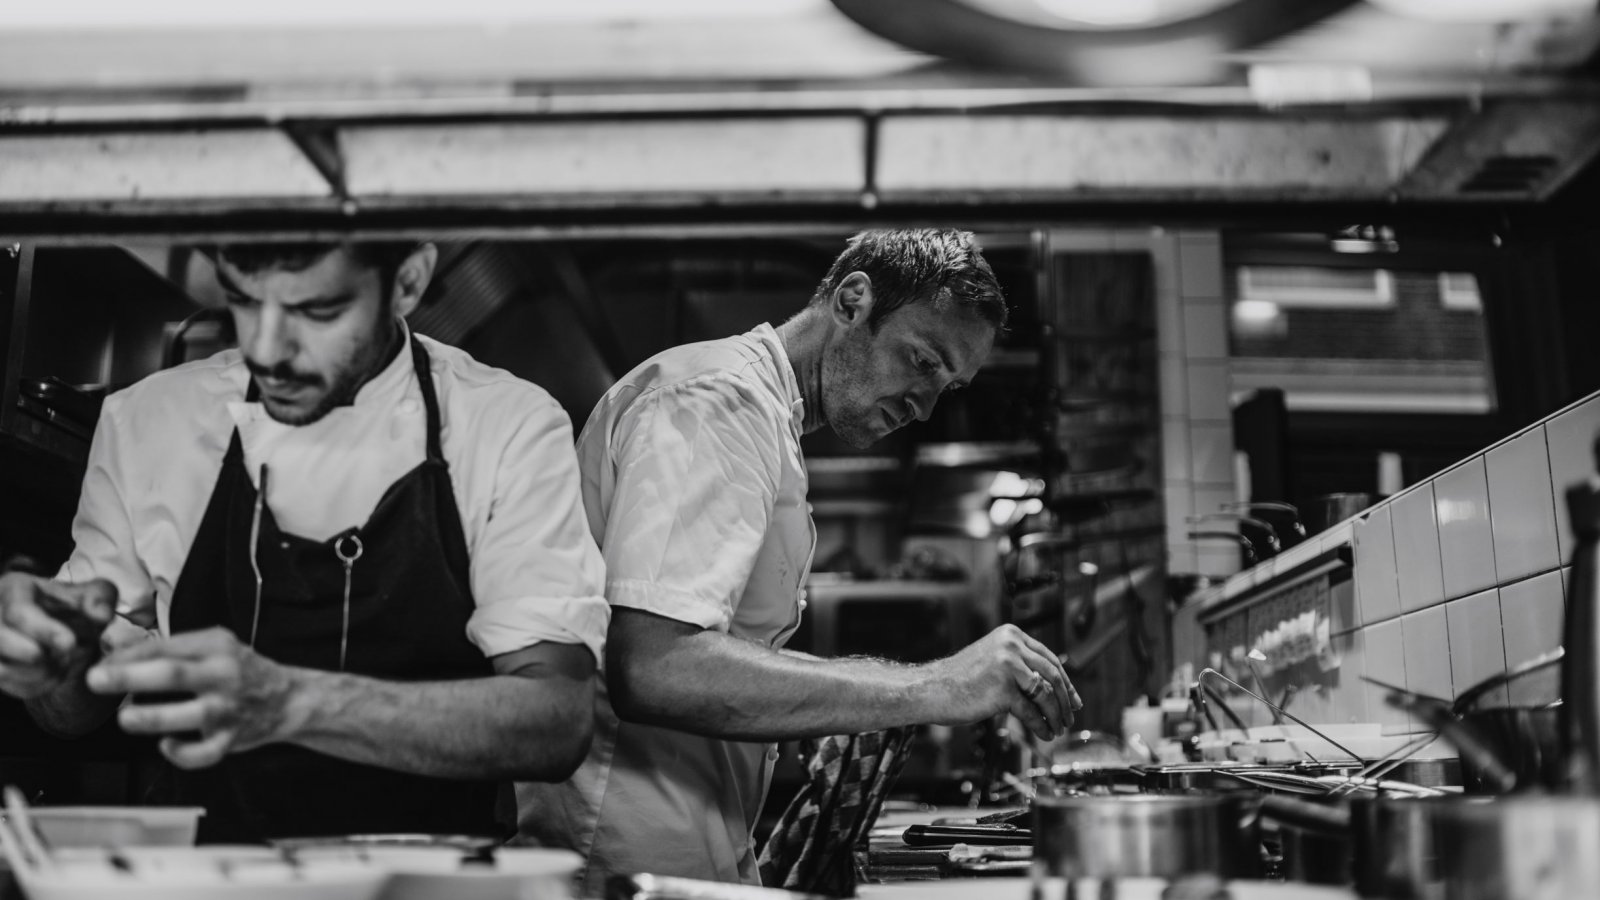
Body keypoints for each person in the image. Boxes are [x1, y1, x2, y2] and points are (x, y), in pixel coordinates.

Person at [518, 229, 1080, 892]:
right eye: (923, 361)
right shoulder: (717, 406)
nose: (925, 407)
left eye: (948, 387)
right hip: (626, 859)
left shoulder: (763, 421)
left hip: (682, 842)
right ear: (852, 302)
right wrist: (936, 687)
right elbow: (653, 666)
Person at [0, 240, 607, 842]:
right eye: (242, 301)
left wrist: (293, 703)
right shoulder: (149, 422)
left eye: (317, 312)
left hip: (427, 883)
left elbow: (556, 721)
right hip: (206, 877)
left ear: (408, 281)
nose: (267, 351)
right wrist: (57, 656)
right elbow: (68, 713)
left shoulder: (505, 426)